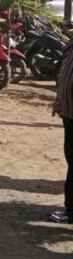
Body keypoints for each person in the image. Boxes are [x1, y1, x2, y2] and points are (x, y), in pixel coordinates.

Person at [51, 38, 73, 224]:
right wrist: (59, 102)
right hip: (69, 113)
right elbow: (63, 76)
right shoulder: (70, 47)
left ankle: (71, 211)